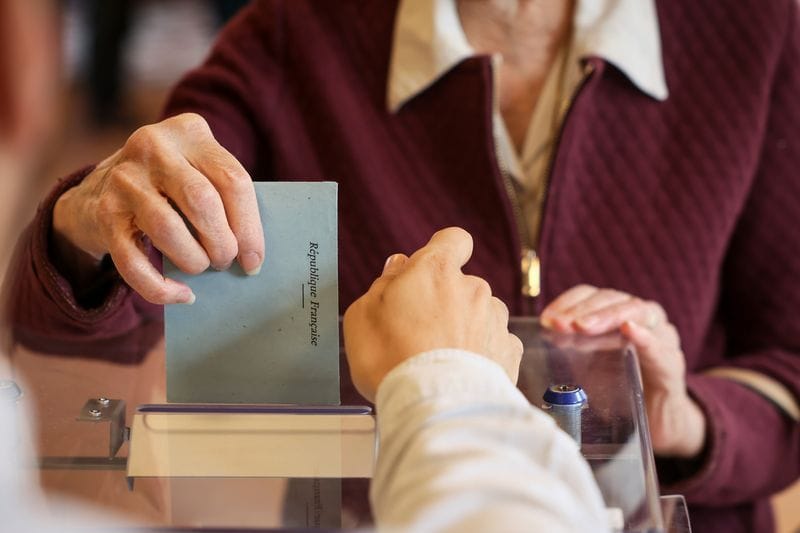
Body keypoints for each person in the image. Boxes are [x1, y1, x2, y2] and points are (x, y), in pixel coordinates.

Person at [5, 0, 799, 531]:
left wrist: (691, 422)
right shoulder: (296, 33)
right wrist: (89, 222)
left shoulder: (759, 31)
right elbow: (96, 320)